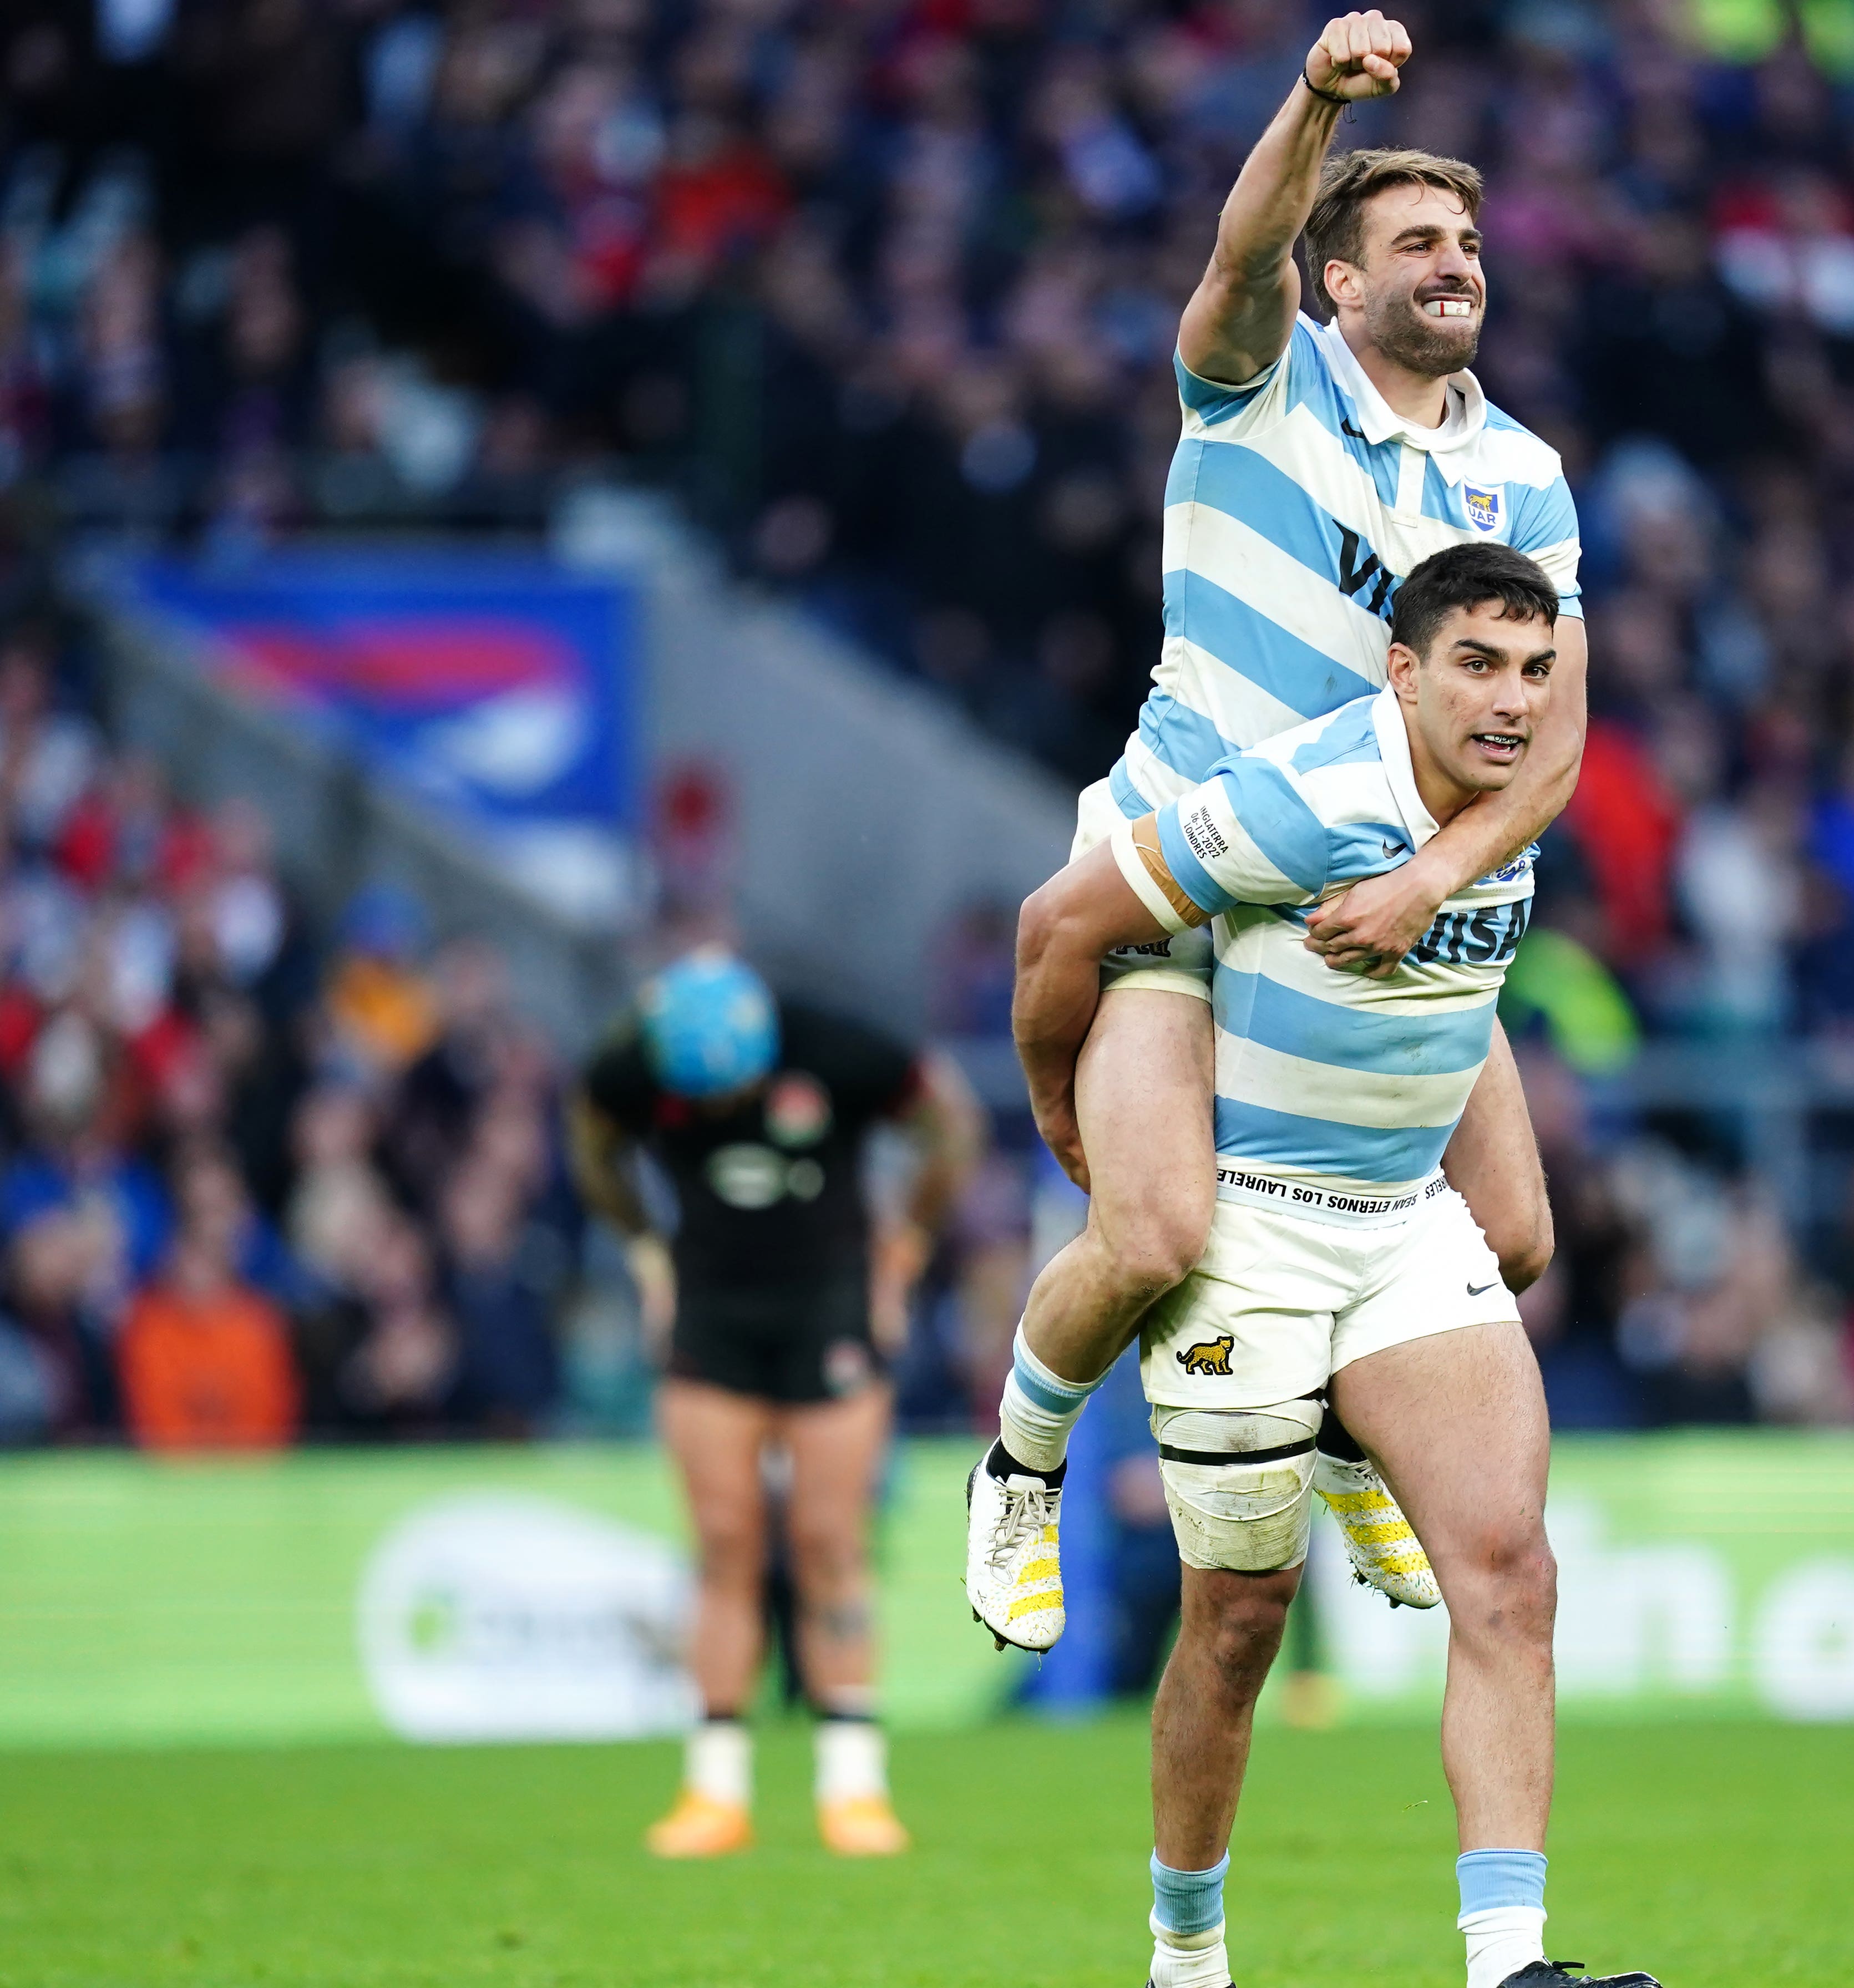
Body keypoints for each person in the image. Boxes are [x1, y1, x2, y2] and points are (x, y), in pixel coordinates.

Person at [963, 8, 1589, 1653]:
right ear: (1339, 284)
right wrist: (1314, 99)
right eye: (1414, 244)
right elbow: (1241, 253)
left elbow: (1560, 731)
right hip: (1189, 861)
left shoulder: (1523, 478)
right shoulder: (1261, 381)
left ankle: (1340, 1430)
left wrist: (1434, 877)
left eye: (1467, 240)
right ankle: (1021, 1465)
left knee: (1513, 1236)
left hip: (1376, 892)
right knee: (1156, 1227)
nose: (1456, 263)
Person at [1009, 544, 1655, 1988]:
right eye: (1479, 667)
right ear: (1402, 673)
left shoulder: (1528, 793)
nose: (1514, 701)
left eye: (1536, 671)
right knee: (1238, 1621)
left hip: (1400, 1220)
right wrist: (1067, 1112)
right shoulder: (1302, 801)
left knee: (1510, 1576)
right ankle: (1187, 1958)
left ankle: (1510, 1963)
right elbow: (1065, 924)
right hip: (1253, 1221)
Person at [569, 949, 981, 1860]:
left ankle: (854, 1788)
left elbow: (949, 1125)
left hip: (828, 1311)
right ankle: (715, 1791)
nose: (717, 1116)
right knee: (724, 1548)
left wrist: (905, 1250)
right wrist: (643, 1253)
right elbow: (592, 1143)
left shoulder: (837, 1048)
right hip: (711, 1319)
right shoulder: (633, 1062)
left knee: (831, 1546)